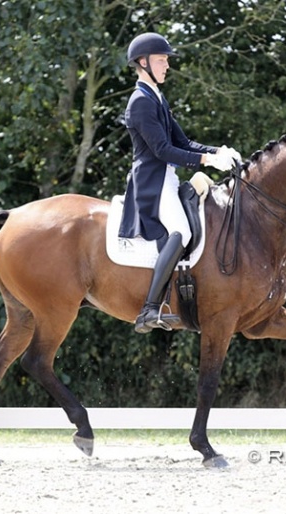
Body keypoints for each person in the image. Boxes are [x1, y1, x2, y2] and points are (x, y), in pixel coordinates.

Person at [119, 32, 242, 334]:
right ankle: (149, 309)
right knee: (182, 230)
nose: (166, 66)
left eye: (166, 61)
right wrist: (206, 162)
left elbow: (183, 142)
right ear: (143, 62)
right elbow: (162, 150)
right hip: (151, 182)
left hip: (166, 178)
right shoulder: (140, 103)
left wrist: (217, 152)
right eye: (162, 60)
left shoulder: (157, 98)